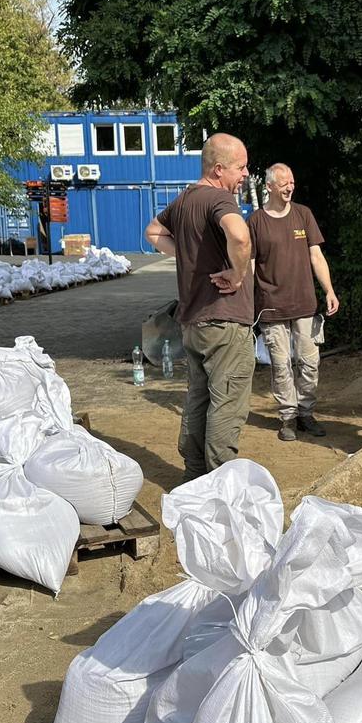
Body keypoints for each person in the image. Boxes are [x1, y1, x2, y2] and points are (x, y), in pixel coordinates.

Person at [144, 133, 254, 481]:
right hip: (224, 320)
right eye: (241, 167)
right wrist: (237, 274)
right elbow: (239, 235)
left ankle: (193, 474)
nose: (246, 174)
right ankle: (219, 482)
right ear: (219, 169)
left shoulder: (185, 199)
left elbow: (152, 231)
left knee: (199, 397)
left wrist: (187, 255)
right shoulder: (219, 199)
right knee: (227, 400)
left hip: (193, 323)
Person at [250, 163, 339, 441]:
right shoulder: (255, 222)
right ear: (269, 187)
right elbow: (249, 265)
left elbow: (316, 256)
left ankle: (306, 412)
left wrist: (329, 290)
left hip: (304, 304)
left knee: (309, 363)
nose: (290, 187)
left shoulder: (303, 215)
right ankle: (287, 417)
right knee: (280, 365)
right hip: (270, 306)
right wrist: (242, 302)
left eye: (292, 183)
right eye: (284, 183)